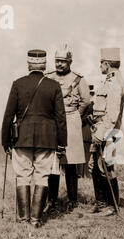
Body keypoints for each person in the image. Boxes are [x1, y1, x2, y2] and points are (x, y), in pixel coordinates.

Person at [1, 49, 67, 227]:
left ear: (29, 64)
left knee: (22, 176)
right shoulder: (54, 86)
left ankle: (23, 220)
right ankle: (36, 220)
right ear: (44, 65)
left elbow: (8, 115)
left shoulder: (18, 84)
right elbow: (61, 118)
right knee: (42, 176)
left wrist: (5, 141)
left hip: (21, 138)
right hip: (47, 139)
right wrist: (62, 144)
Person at [45, 45, 91, 213]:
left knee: (71, 163)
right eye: (57, 61)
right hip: (52, 122)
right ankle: (52, 200)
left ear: (70, 62)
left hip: (71, 121)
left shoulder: (78, 79)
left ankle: (73, 200)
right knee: (53, 162)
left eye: (63, 62)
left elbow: (85, 101)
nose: (60, 65)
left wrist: (74, 115)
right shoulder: (48, 77)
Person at [88, 48, 124, 215]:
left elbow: (112, 115)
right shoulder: (109, 81)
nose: (99, 66)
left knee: (106, 167)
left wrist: (100, 134)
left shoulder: (115, 83)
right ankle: (101, 204)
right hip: (100, 129)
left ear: (107, 64)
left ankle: (112, 206)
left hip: (108, 132)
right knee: (95, 167)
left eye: (101, 63)